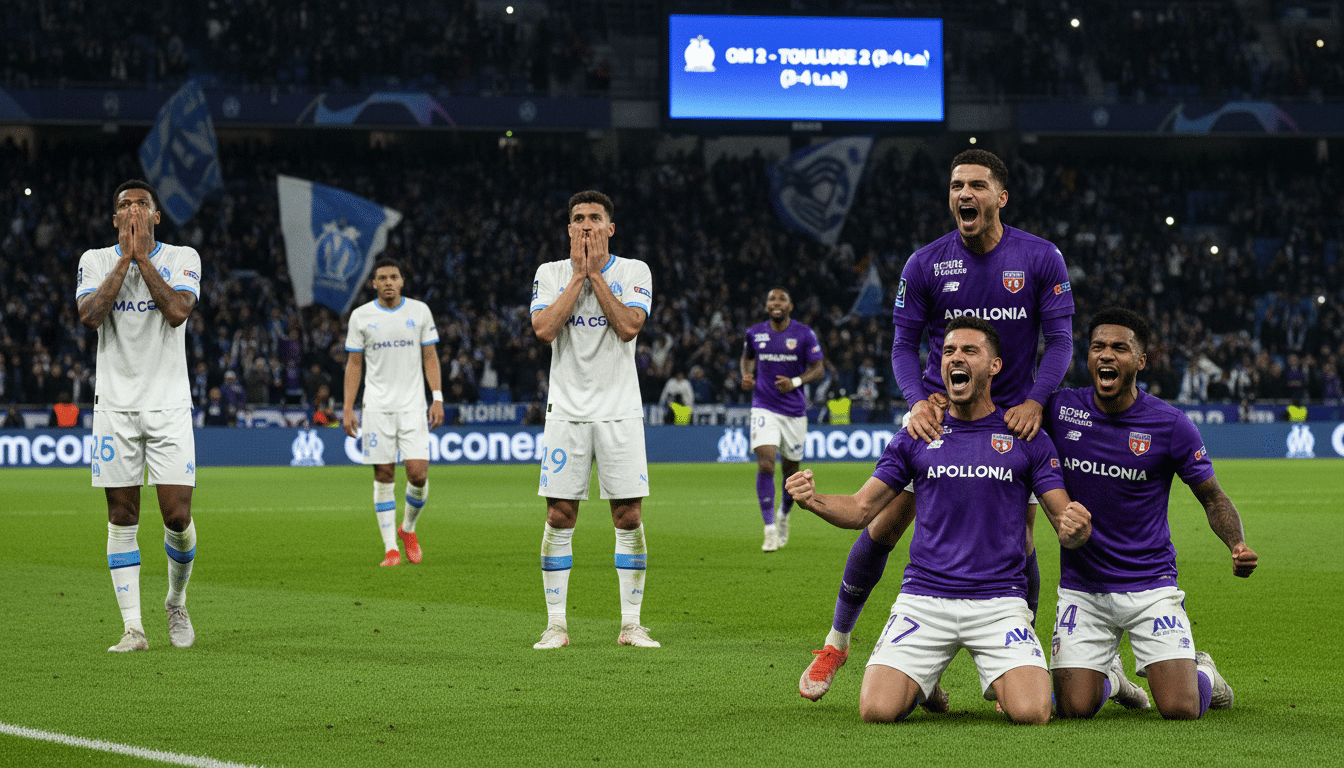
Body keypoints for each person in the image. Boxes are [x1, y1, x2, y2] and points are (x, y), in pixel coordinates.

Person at [799, 149, 1075, 700]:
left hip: (1011, 420)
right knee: (884, 524)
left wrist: (1037, 401)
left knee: (1020, 540)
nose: (963, 195)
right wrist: (916, 402)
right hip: (939, 416)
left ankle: (1016, 653)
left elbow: (1062, 340)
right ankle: (837, 641)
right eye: (955, 186)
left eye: (976, 185)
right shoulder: (925, 263)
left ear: (1001, 196)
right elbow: (902, 343)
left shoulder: (1041, 258)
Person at [785, 317, 1091, 723]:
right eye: (948, 351)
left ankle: (969, 664)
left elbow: (1060, 515)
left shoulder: (1026, 436)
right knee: (876, 711)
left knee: (1032, 711)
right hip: (925, 600)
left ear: (995, 366)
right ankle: (920, 680)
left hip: (998, 602)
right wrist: (813, 500)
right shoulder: (918, 433)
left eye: (969, 351)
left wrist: (1076, 528)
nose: (955, 358)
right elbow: (861, 509)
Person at [1046, 307, 1258, 719]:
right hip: (1083, 586)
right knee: (1074, 708)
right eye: (1098, 347)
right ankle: (1115, 678)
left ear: (1141, 361)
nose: (1106, 355)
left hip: (1149, 584)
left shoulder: (1170, 424)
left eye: (1119, 348)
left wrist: (1236, 543)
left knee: (1180, 708)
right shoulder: (1059, 410)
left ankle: (1206, 673)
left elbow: (1212, 497)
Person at [75, 180, 201, 653]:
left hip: (169, 405)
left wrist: (142, 258)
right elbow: (90, 316)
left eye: (141, 205)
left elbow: (177, 311)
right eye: (124, 205)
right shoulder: (94, 259)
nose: (132, 211)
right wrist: (124, 258)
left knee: (177, 515)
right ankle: (133, 628)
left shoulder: (184, 258)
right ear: (114, 220)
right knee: (121, 514)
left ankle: (175, 599)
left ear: (156, 217)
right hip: (115, 406)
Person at [528, 190, 657, 649]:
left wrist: (595, 276)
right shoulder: (550, 273)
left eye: (595, 218)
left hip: (620, 410)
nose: (586, 226)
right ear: (568, 229)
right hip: (566, 411)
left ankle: (631, 625)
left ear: (611, 228)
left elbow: (627, 327)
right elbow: (543, 330)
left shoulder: (634, 271)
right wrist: (577, 276)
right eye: (578, 218)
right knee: (560, 515)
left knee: (628, 515)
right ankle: (556, 625)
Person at [342, 258, 444, 567]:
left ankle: (407, 529)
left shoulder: (419, 311)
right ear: (373, 283)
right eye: (382, 277)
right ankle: (391, 548)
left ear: (402, 282)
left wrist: (437, 397)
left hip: (413, 407)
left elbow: (430, 356)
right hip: (377, 408)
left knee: (418, 474)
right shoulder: (361, 317)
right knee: (384, 475)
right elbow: (354, 364)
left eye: (394, 276)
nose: (388, 281)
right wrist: (347, 407)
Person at [739, 287, 824, 552]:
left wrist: (796, 381)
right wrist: (746, 375)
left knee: (791, 472)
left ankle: (784, 516)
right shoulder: (754, 333)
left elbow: (818, 368)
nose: (776, 303)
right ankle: (769, 530)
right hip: (763, 406)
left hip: (794, 411)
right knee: (766, 464)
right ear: (767, 306)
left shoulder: (803, 334)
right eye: (771, 299)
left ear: (790, 306)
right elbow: (746, 358)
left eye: (781, 299)